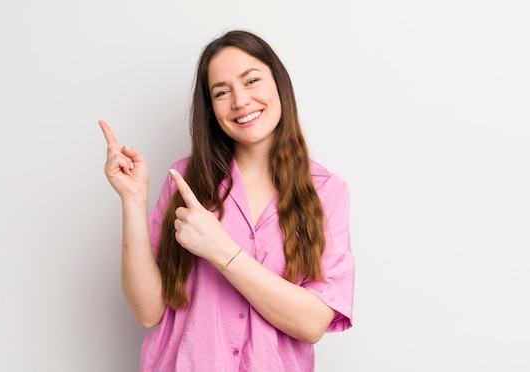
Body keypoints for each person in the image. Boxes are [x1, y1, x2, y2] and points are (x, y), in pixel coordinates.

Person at [99, 29, 355, 372]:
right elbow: (149, 312)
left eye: (251, 81)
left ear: (279, 83)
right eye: (222, 92)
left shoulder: (327, 191)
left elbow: (312, 324)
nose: (240, 101)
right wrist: (133, 200)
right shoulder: (184, 181)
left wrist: (222, 250)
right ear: (211, 108)